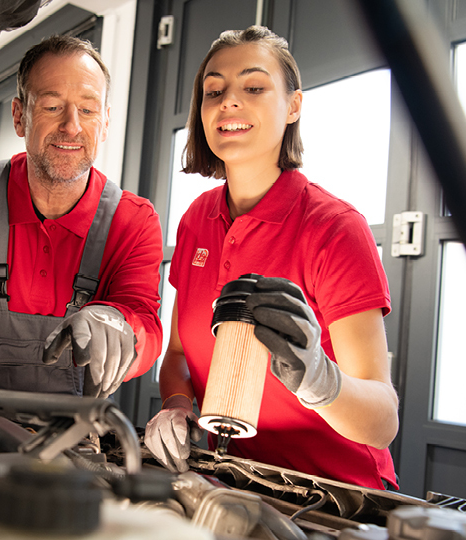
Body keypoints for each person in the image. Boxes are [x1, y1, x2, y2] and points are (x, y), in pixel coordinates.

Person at [143, 26, 399, 490]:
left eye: (254, 87)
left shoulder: (335, 227)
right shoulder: (197, 219)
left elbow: (382, 421)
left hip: (338, 494)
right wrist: (177, 404)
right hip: (242, 481)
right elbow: (178, 353)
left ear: (294, 106)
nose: (229, 102)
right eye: (214, 90)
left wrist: (321, 381)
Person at [0, 35, 163, 398]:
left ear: (105, 123)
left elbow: (147, 326)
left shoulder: (134, 220)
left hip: (71, 437)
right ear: (19, 116)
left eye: (88, 110)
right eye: (53, 107)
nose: (72, 126)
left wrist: (121, 324)